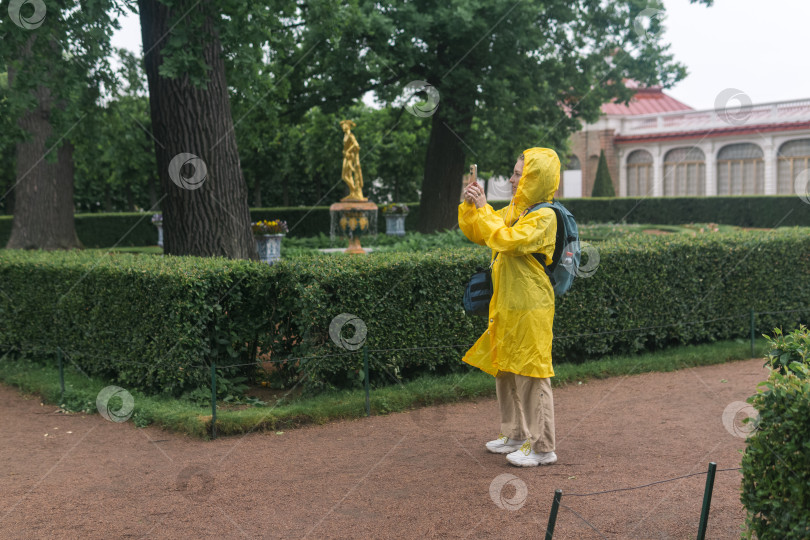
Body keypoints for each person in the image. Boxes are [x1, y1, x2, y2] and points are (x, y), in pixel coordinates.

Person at [458, 147, 560, 467]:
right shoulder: (516, 211)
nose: (513, 180)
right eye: (514, 173)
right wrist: (471, 205)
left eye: (519, 174)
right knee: (505, 369)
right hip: (505, 306)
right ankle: (515, 433)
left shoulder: (545, 216)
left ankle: (542, 446)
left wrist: (486, 208)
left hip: (530, 307)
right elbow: (480, 231)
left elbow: (507, 240)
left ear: (535, 178)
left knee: (531, 373)